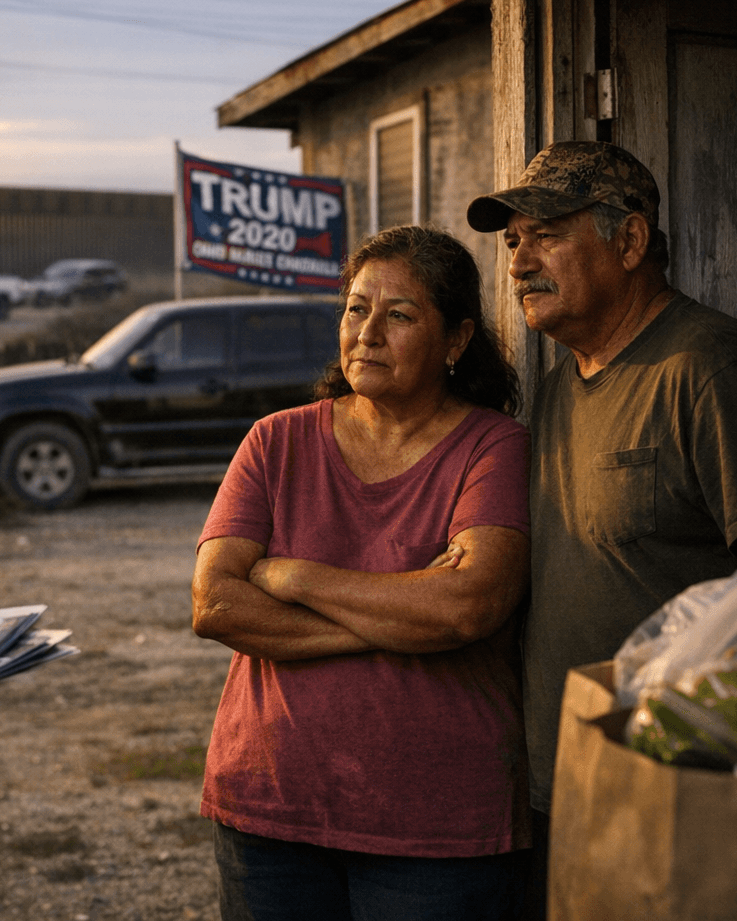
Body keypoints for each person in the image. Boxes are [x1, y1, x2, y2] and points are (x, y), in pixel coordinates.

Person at [466, 140, 737, 912]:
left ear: (630, 242)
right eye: (512, 242)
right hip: (560, 786)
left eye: (547, 235)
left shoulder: (708, 367)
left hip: (676, 786)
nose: (518, 263)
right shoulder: (559, 385)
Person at [191, 225, 533, 921]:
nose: (368, 333)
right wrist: (400, 617)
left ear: (457, 340)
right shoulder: (276, 440)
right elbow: (216, 606)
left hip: (435, 822)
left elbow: (464, 609)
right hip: (269, 807)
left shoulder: (493, 447)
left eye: (400, 315)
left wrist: (289, 576)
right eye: (356, 308)